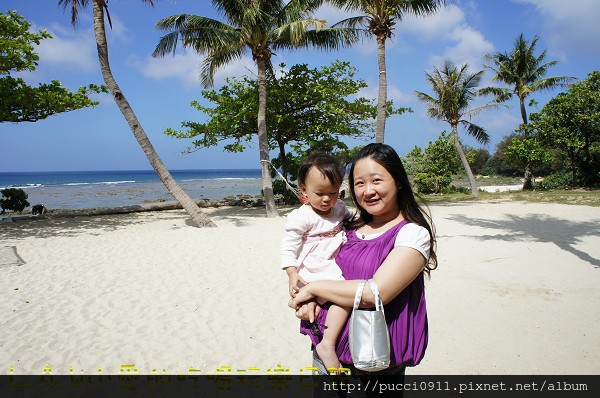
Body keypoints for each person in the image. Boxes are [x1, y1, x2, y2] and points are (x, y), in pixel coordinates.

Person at [289, 143, 437, 381]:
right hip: (326, 351)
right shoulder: (348, 225)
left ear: (398, 181)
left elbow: (375, 294)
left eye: (376, 180)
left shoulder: (412, 234)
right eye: (359, 183)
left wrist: (314, 289)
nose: (368, 191)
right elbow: (315, 263)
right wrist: (305, 298)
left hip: (374, 362)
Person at [281, 152, 354, 373]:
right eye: (319, 193)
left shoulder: (339, 208)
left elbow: (352, 219)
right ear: (304, 191)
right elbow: (288, 246)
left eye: (333, 193)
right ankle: (327, 345)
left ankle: (324, 338)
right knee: (343, 299)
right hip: (313, 267)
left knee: (331, 301)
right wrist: (292, 273)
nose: (327, 199)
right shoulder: (301, 216)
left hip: (330, 263)